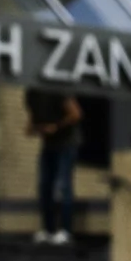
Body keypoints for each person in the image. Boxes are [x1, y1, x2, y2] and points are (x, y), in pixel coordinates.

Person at [30, 89, 87, 247]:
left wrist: (56, 126)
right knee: (44, 185)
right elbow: (33, 117)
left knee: (63, 185)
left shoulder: (57, 90)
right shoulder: (31, 94)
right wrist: (35, 128)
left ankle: (65, 231)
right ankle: (48, 229)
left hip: (67, 143)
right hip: (49, 144)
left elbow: (76, 114)